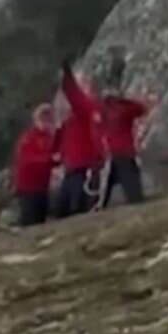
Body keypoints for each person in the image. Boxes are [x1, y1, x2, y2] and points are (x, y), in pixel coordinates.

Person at [57, 61, 104, 218]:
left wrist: (68, 77)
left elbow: (75, 96)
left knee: (77, 210)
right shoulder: (71, 118)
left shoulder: (87, 108)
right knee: (62, 210)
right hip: (71, 168)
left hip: (83, 168)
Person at [99, 86, 154, 207]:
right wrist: (125, 99)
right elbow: (141, 109)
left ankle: (98, 205)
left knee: (104, 187)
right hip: (124, 152)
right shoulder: (122, 108)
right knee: (132, 186)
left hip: (110, 153)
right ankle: (135, 201)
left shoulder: (103, 109)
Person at [11, 103, 58, 227]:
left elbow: (54, 157)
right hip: (28, 187)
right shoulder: (28, 138)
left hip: (42, 186)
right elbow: (27, 160)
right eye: (43, 118)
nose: (46, 122)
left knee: (41, 219)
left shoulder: (50, 138)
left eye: (49, 118)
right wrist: (49, 159)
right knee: (30, 220)